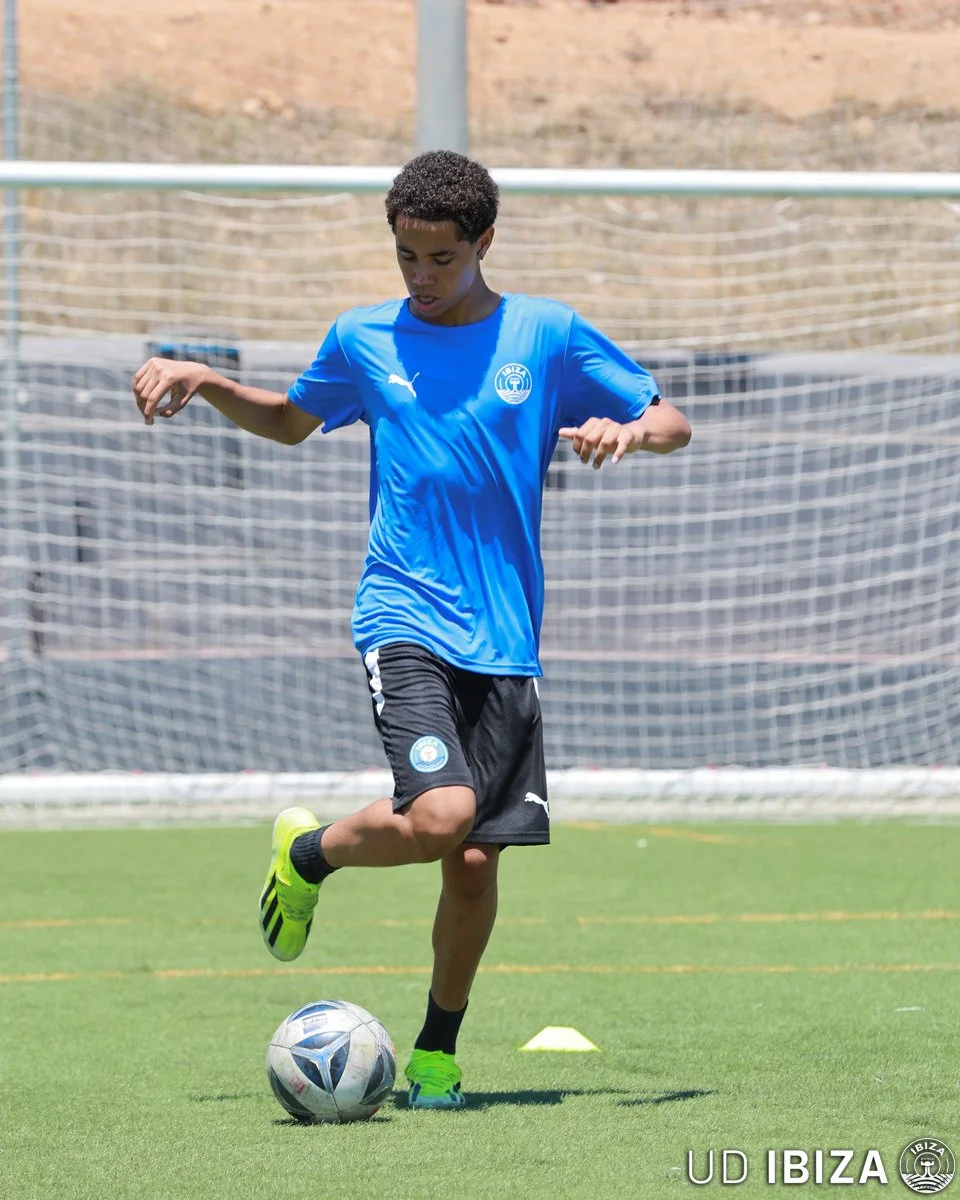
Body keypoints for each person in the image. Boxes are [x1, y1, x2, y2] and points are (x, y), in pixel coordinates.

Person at [132, 149, 691, 1110]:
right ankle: (308, 858)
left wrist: (629, 432)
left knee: (471, 864)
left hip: (506, 638)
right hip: (403, 615)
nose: (421, 277)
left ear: (484, 242)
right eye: (405, 257)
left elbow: (673, 419)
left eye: (441, 258)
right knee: (440, 819)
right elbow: (291, 420)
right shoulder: (364, 337)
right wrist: (208, 380)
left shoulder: (547, 334)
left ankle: (436, 1048)